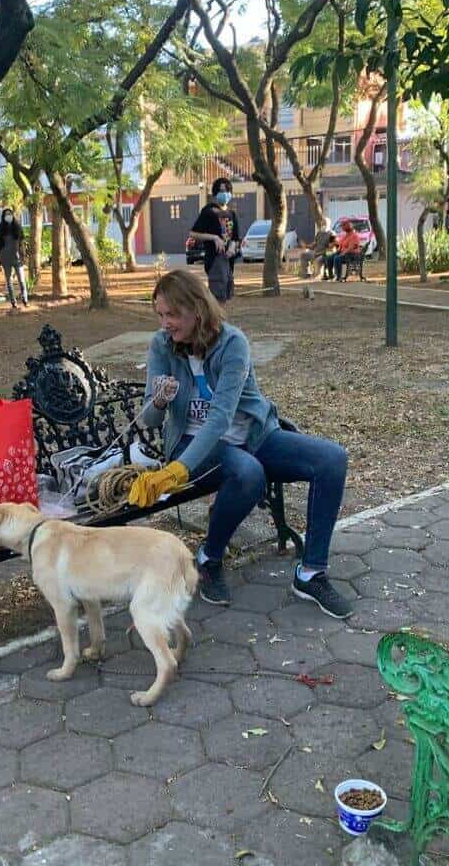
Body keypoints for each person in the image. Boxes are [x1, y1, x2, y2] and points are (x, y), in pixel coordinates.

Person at [128, 269, 353, 618]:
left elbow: (220, 417)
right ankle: (209, 558)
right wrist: (158, 401)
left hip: (252, 435)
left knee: (332, 459)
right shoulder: (161, 345)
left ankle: (310, 573)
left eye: (172, 314)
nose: (165, 323)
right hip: (190, 445)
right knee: (249, 473)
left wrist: (176, 472)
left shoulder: (233, 344)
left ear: (197, 310)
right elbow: (152, 420)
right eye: (159, 314)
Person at [188, 178, 241, 302]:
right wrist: (214, 238)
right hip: (215, 260)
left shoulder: (231, 214)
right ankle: (216, 321)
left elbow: (235, 238)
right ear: (215, 193)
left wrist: (232, 248)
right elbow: (193, 233)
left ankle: (220, 320)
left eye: (227, 191)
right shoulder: (208, 211)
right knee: (217, 297)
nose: (225, 193)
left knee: (226, 295)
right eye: (222, 191)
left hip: (228, 261)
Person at [0, 208, 28, 308]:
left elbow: (22, 242)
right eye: (6, 214)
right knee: (9, 281)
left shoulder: (17, 226)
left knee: (21, 280)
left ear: (12, 215)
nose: (8, 216)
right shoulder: (0, 227)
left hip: (17, 257)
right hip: (5, 257)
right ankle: (13, 302)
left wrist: (23, 255)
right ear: (3, 216)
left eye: (10, 214)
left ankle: (25, 298)